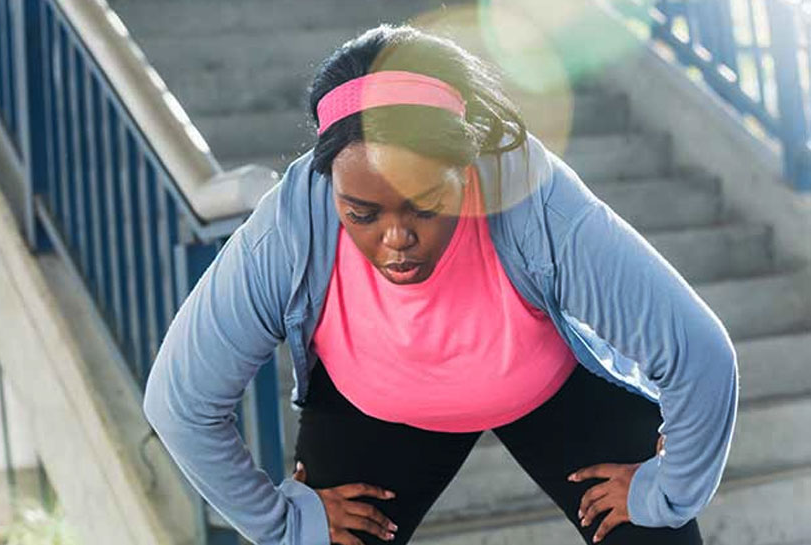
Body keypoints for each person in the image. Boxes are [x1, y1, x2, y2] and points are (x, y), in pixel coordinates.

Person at [142, 24, 738, 545]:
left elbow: (699, 355)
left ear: (466, 166)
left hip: (546, 380)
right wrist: (280, 524)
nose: (395, 239)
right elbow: (180, 403)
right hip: (372, 396)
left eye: (424, 205)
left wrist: (667, 493)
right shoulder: (290, 227)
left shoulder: (535, 200)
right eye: (362, 214)